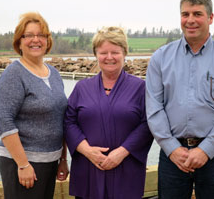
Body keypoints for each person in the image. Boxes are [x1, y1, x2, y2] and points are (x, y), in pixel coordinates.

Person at [146, 0, 214, 199]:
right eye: (185, 14)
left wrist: (206, 149)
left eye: (197, 14)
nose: (190, 20)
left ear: (210, 18)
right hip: (172, 156)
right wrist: (172, 148)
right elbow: (154, 107)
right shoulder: (160, 59)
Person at [64, 26, 153, 199]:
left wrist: (121, 152)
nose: (109, 57)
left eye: (115, 52)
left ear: (125, 53)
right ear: (96, 55)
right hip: (88, 167)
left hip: (126, 168)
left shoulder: (140, 88)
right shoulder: (82, 88)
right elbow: (69, 122)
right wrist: (88, 151)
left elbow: (148, 124)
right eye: (103, 52)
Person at [0, 12, 69, 199]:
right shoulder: (14, 74)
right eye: (28, 35)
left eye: (41, 35)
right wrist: (23, 164)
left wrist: (62, 159)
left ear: (48, 40)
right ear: (19, 42)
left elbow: (61, 118)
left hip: (50, 161)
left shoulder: (54, 74)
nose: (35, 40)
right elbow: (4, 120)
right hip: (23, 165)